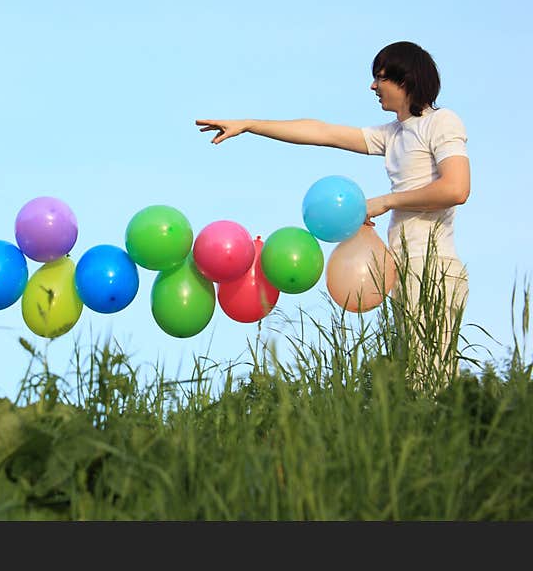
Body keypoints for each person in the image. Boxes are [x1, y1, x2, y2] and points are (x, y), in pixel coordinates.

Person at [196, 41, 471, 378]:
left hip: (433, 268)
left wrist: (385, 201)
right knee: (417, 380)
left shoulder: (441, 122)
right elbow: (321, 131)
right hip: (405, 270)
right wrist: (251, 124)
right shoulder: (394, 135)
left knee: (432, 379)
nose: (373, 86)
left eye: (380, 78)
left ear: (406, 79)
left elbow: (456, 189)